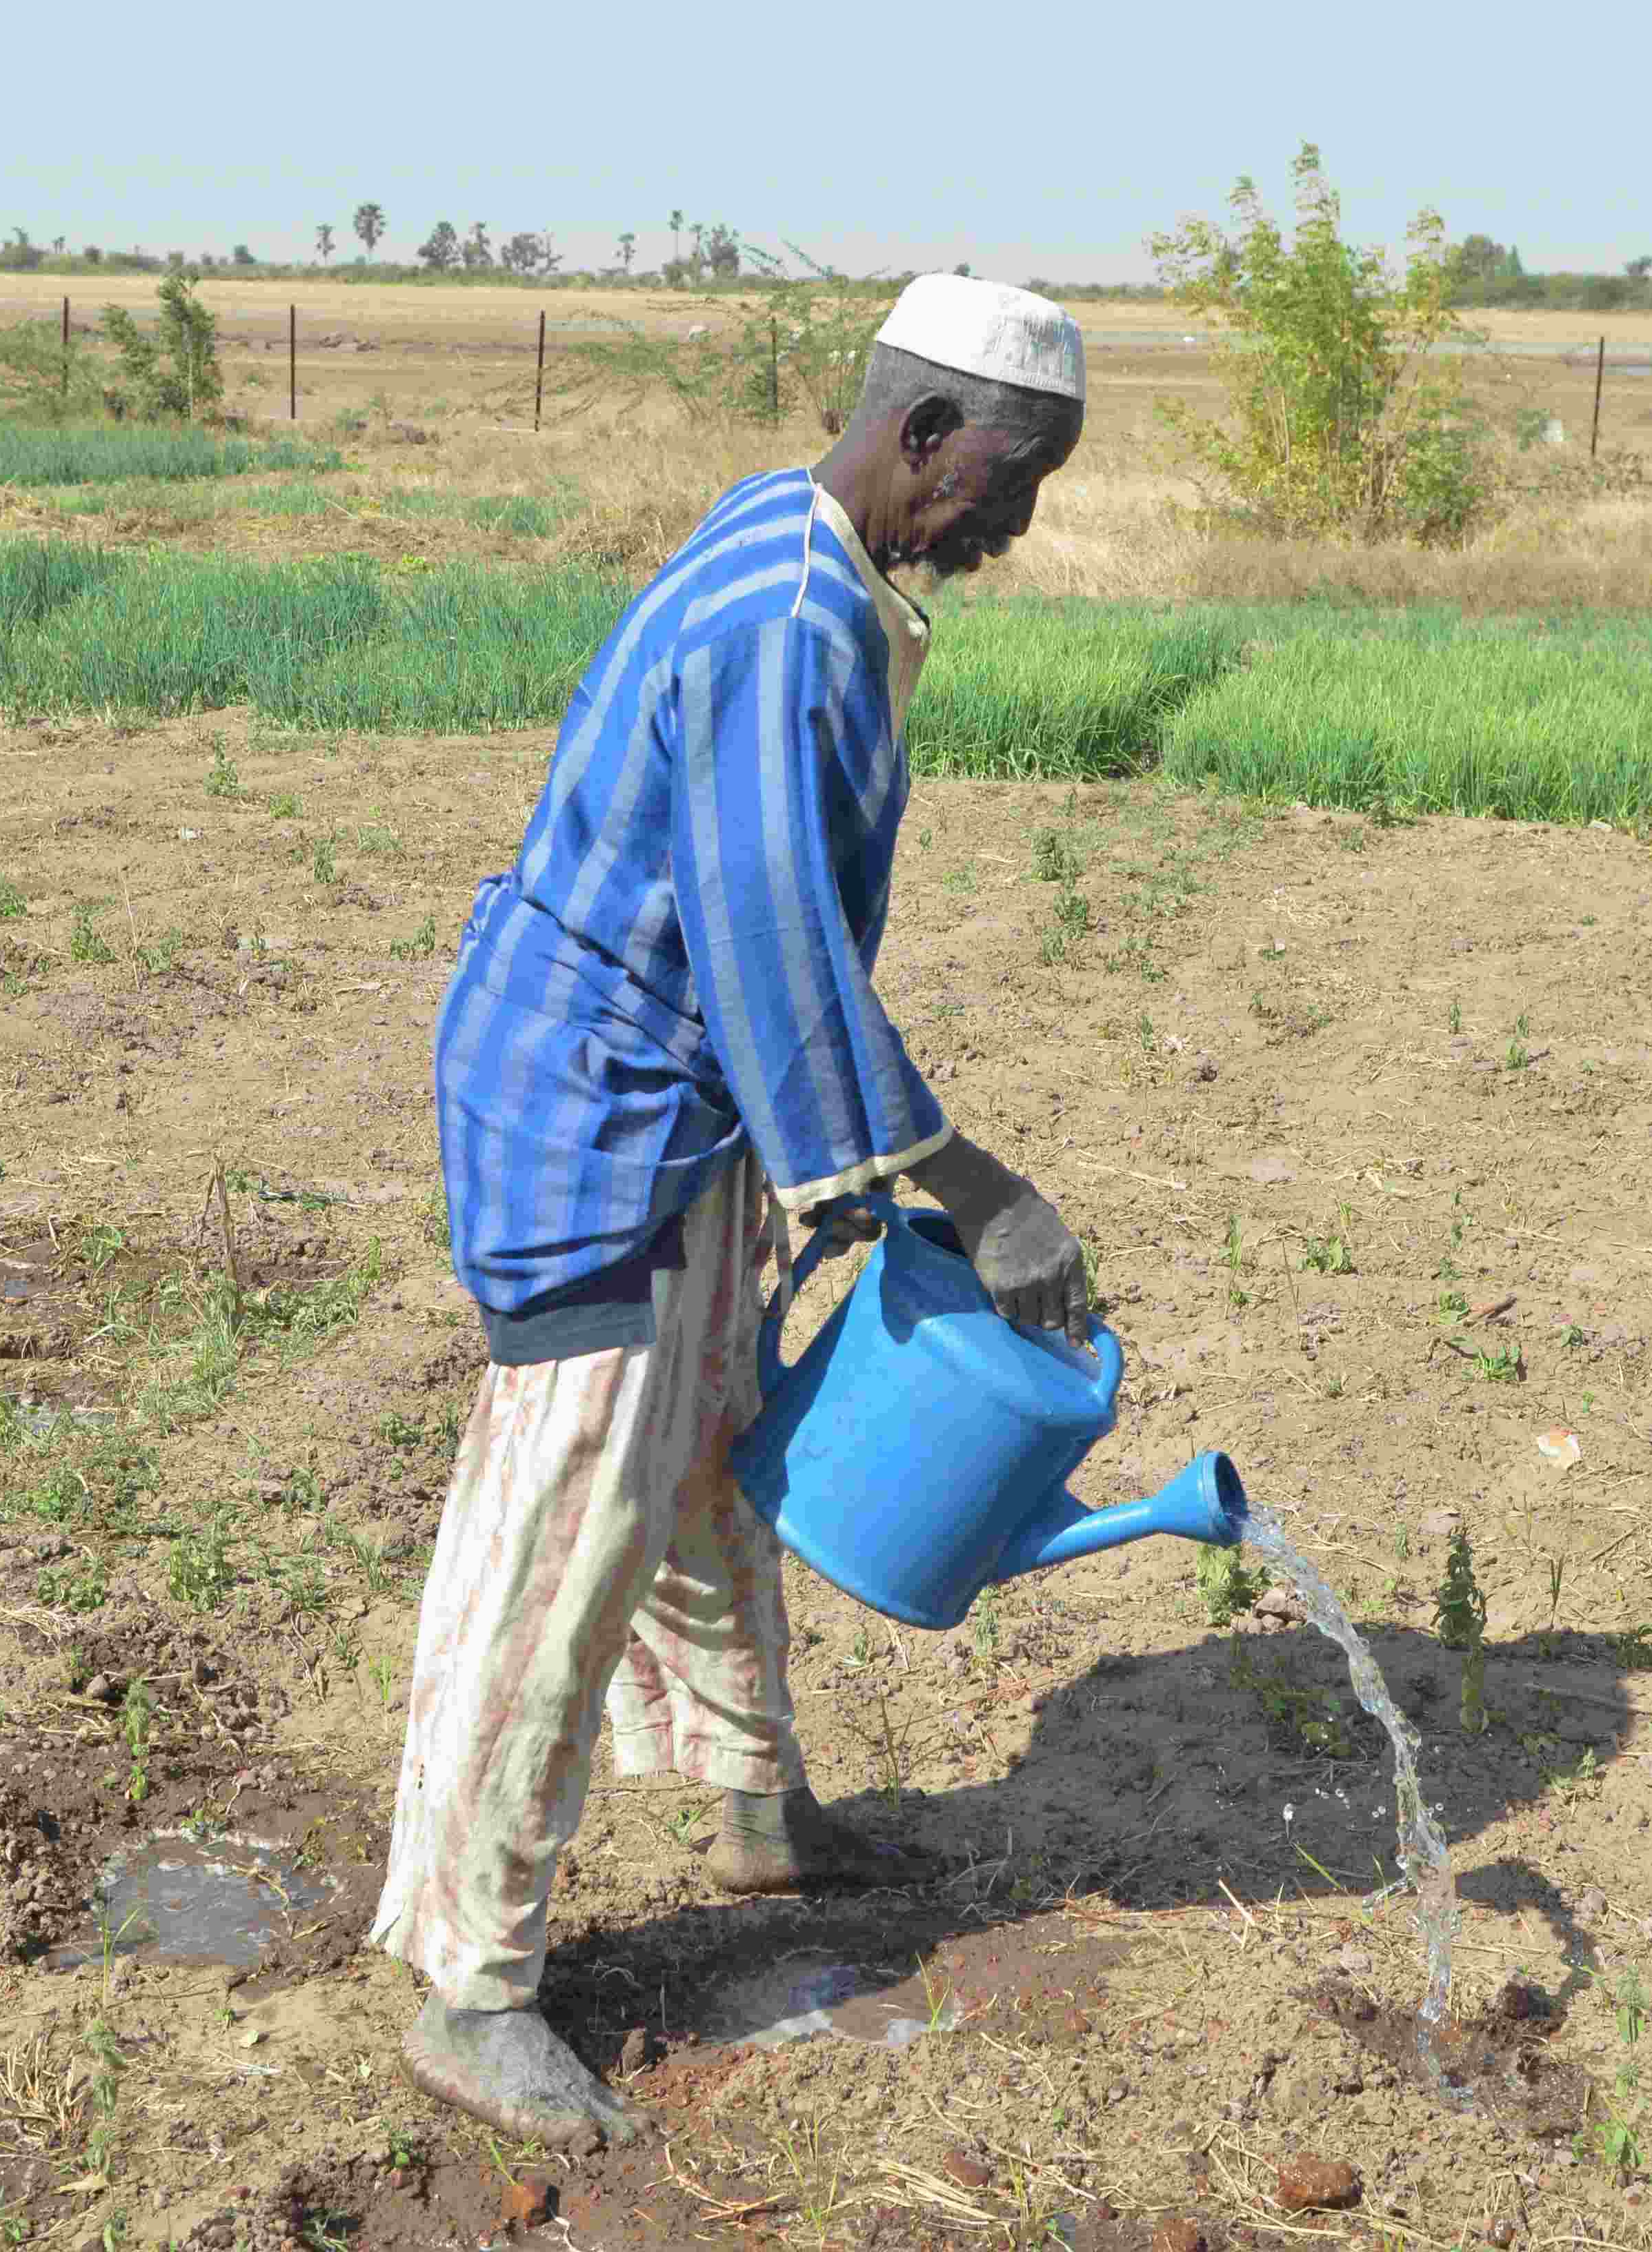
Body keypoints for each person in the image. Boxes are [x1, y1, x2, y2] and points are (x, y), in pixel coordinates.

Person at [370, 277, 1095, 2151]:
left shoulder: (796, 537)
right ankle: (469, 1980)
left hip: (663, 1091)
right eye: (1007, 483)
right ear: (923, 432)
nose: (1010, 530)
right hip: (599, 1109)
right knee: (568, 1523)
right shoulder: (787, 617)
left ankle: (750, 1806)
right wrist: (975, 1193)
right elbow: (777, 951)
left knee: (703, 1442)